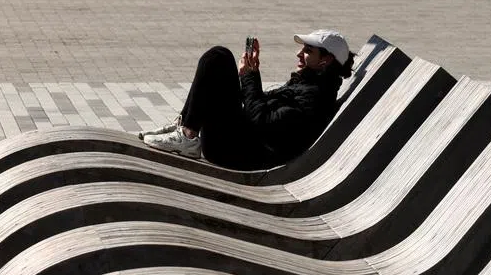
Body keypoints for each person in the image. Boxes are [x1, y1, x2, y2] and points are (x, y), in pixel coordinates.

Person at [141, 30, 354, 170]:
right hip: (242, 143)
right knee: (218, 58)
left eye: (308, 51)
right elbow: (262, 112)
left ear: (325, 60)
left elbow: (262, 121)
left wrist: (248, 76)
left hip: (237, 152)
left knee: (219, 58)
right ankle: (186, 127)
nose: (299, 54)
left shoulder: (314, 96)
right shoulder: (309, 85)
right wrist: (252, 74)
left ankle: (188, 135)